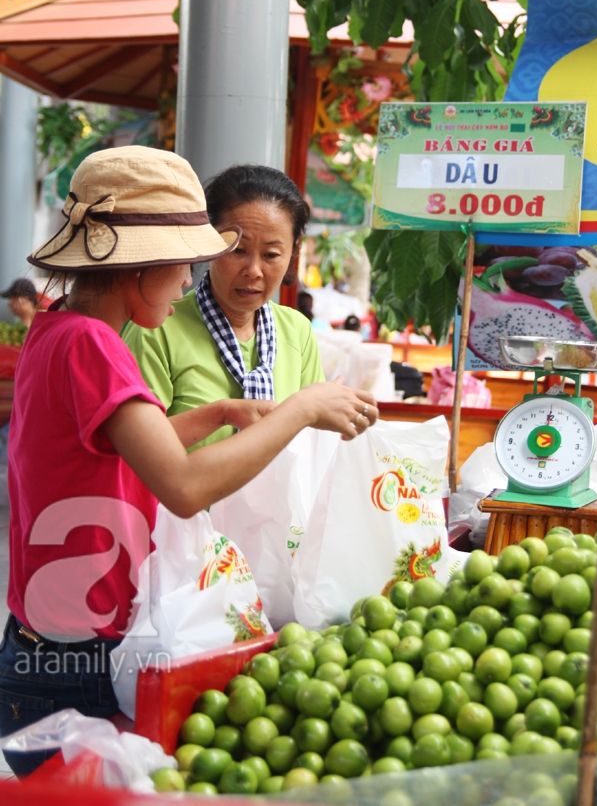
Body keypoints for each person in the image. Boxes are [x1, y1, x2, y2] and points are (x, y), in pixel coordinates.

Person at [0, 146, 377, 777]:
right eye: (183, 262)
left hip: (47, 647)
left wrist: (220, 414)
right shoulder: (96, 344)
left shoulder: (58, 328)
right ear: (137, 264)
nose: (187, 280)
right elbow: (179, 486)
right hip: (81, 661)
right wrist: (301, 408)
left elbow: (122, 454)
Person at [123, 165, 326, 448]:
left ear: (294, 251)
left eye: (271, 254)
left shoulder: (297, 331)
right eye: (237, 250)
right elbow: (136, 447)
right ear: (208, 242)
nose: (254, 270)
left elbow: (312, 440)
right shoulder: (156, 328)